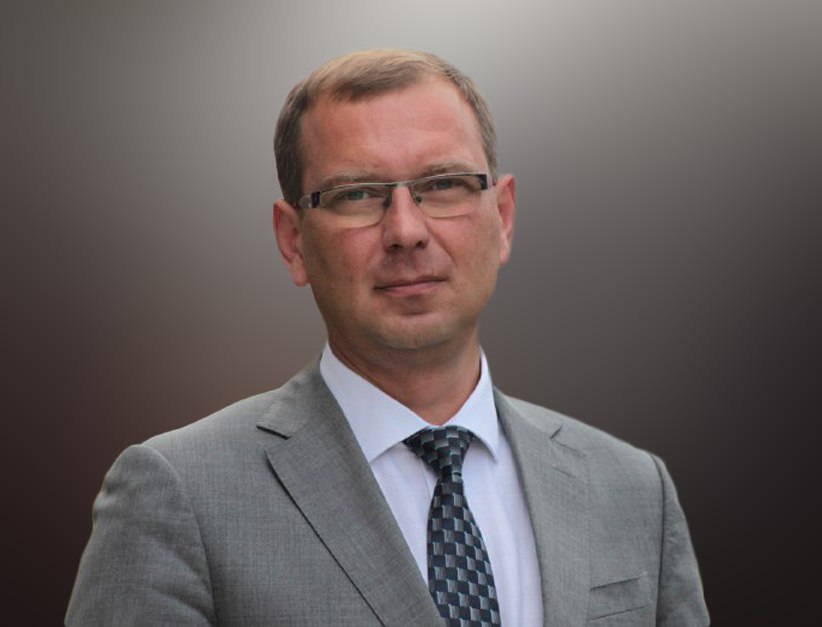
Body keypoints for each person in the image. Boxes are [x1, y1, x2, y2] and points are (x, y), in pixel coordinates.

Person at [66, 49, 709, 626]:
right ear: (293, 242)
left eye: (443, 185)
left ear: (504, 217)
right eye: (357, 195)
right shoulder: (179, 496)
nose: (406, 231)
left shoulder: (633, 489)